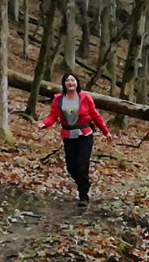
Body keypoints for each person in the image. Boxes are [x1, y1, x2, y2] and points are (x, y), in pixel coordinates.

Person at [37, 73, 113, 207]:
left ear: (77, 83)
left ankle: (83, 195)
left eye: (73, 80)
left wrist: (105, 131)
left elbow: (96, 116)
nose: (70, 82)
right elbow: (52, 116)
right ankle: (84, 183)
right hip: (68, 136)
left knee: (82, 166)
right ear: (64, 84)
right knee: (71, 167)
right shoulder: (58, 99)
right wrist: (45, 124)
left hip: (84, 136)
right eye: (67, 80)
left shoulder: (85, 98)